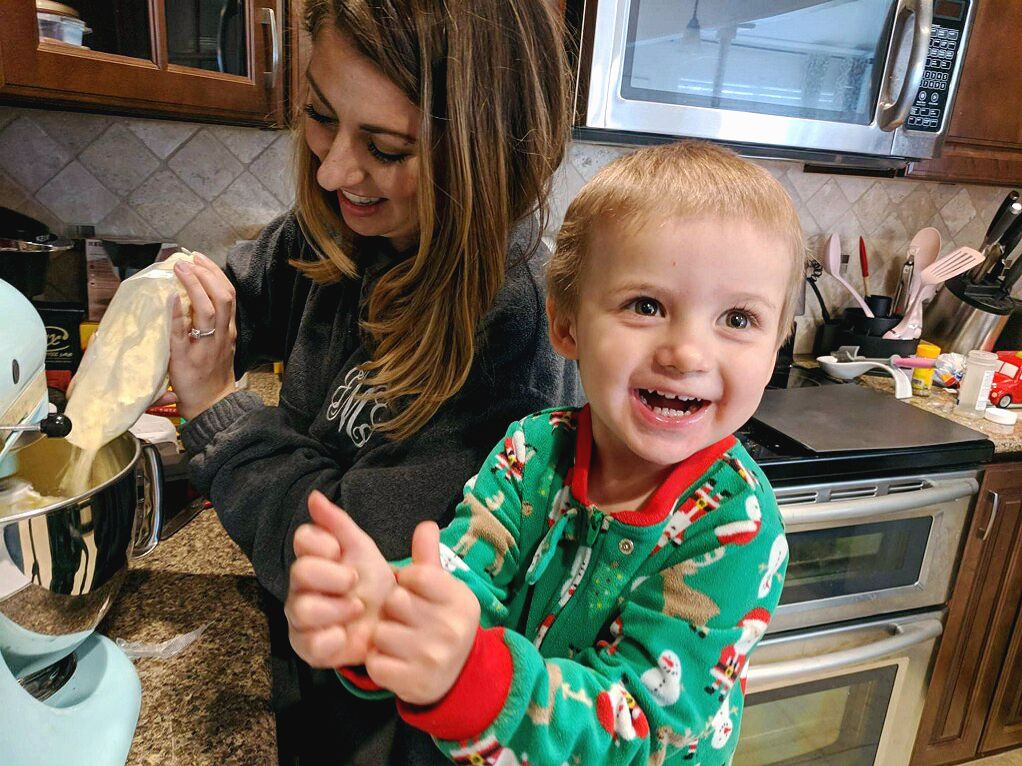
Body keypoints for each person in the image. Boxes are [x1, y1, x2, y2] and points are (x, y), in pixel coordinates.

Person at [285, 141, 802, 764]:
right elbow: (462, 579)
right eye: (646, 305)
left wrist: (469, 675)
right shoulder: (533, 450)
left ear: (776, 350)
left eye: (738, 319)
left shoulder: (735, 527)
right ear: (566, 325)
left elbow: (641, 731)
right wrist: (381, 619)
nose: (686, 353)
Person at [164, 1, 578, 762]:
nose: (331, 170)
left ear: (488, 156)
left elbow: (338, 566)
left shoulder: (512, 326)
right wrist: (166, 311)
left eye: (385, 147)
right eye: (321, 116)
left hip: (383, 738)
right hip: (301, 682)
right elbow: (245, 297)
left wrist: (219, 412)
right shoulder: (350, 216)